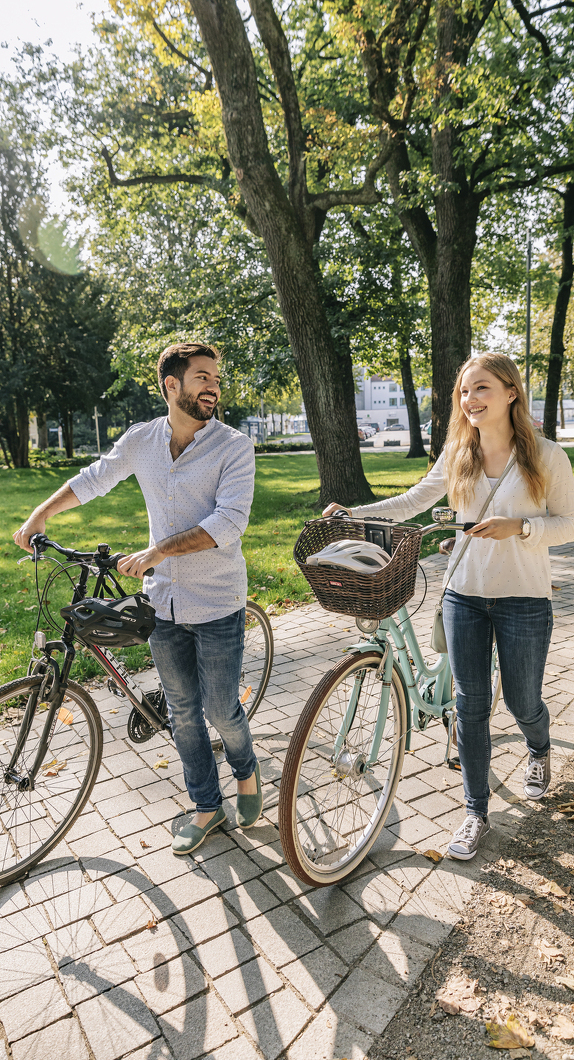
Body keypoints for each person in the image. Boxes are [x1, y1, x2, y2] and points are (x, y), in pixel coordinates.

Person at [13, 341, 263, 855]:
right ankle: (206, 806)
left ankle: (246, 769)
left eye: (215, 378)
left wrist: (156, 552)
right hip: (164, 602)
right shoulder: (142, 440)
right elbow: (95, 478)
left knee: (219, 708)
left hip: (217, 601)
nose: (213, 387)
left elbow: (229, 522)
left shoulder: (234, 446)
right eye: (201, 378)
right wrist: (41, 513)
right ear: (172, 386)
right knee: (181, 712)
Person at [324, 354, 574, 860]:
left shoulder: (547, 456)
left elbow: (569, 524)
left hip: (524, 602)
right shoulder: (459, 450)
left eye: (481, 388)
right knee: (471, 706)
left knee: (522, 702)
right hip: (465, 596)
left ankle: (539, 748)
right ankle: (475, 813)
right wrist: (357, 512)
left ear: (510, 392)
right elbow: (415, 499)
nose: (470, 400)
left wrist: (520, 528)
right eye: (464, 392)